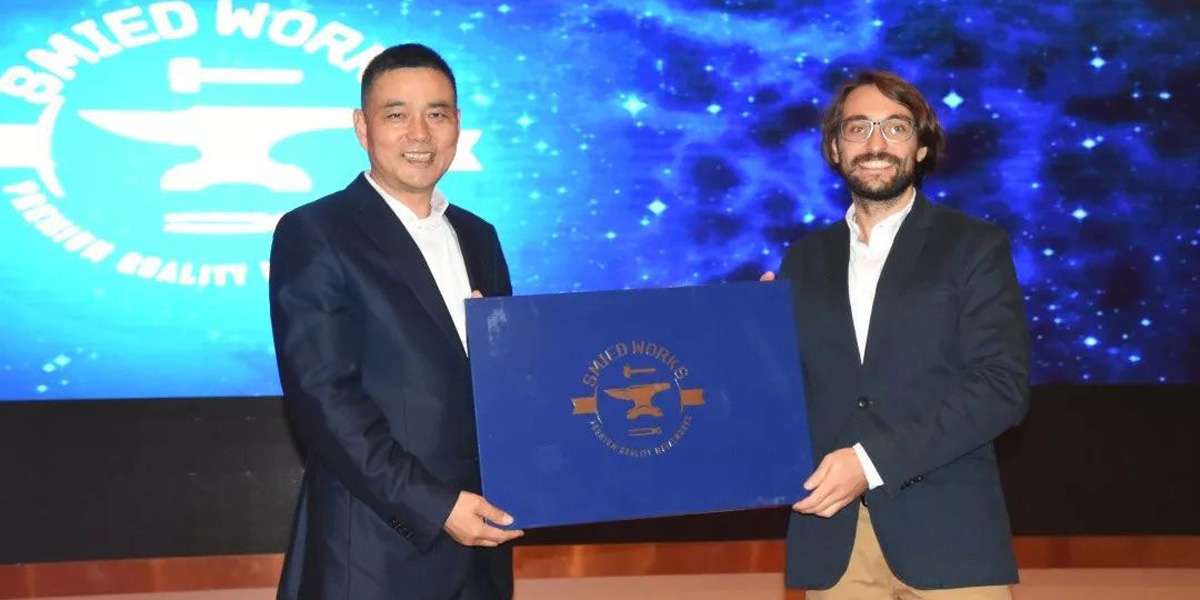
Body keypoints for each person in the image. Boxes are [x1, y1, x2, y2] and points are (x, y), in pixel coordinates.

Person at [269, 43, 522, 600]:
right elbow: (325, 401)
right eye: (396, 114)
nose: (419, 133)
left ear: (458, 125)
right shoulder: (316, 232)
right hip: (375, 554)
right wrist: (437, 507)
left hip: (482, 546)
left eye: (437, 113)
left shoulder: (479, 236)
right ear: (362, 127)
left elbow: (506, 388)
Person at [768, 71, 1031, 599]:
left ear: (922, 146)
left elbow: (1001, 387)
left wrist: (869, 464)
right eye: (858, 127)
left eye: (895, 127)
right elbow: (789, 396)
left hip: (949, 535)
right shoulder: (803, 260)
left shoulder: (973, 245)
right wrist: (757, 342)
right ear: (835, 148)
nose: (876, 143)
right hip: (833, 536)